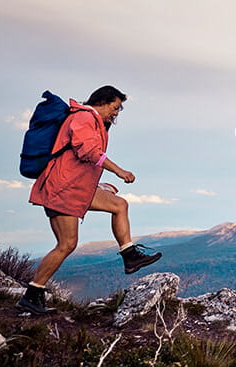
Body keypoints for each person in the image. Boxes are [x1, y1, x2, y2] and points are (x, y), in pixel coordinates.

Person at [18, 86, 162, 315]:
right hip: (61, 190)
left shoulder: (92, 122)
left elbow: (76, 164)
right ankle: (33, 295)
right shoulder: (84, 117)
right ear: (102, 102)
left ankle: (130, 256)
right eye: (115, 108)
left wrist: (98, 186)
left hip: (76, 188)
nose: (116, 113)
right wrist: (119, 171)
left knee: (119, 205)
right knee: (66, 244)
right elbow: (88, 152)